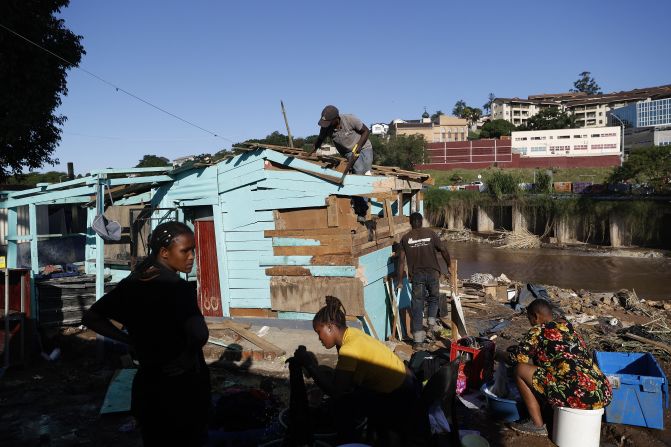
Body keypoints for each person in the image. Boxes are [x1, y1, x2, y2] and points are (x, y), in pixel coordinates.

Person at [83, 221, 211, 446]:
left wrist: (128, 339)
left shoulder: (136, 280)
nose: (192, 257)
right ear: (164, 252)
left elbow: (92, 317)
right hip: (181, 389)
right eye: (185, 251)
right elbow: (200, 335)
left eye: (193, 250)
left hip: (149, 388)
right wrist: (187, 356)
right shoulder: (176, 288)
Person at [292, 296, 428, 445]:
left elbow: (336, 391)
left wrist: (311, 366)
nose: (319, 338)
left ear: (330, 327)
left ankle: (349, 441)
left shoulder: (349, 349)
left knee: (341, 407)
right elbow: (346, 375)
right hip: (407, 382)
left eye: (319, 332)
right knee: (352, 399)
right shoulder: (352, 334)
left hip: (400, 395)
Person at [508, 298, 612, 437]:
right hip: (602, 391)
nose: (530, 322)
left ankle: (537, 425)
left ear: (536, 317)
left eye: (529, 319)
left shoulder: (537, 330)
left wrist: (500, 354)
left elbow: (518, 360)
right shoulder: (569, 328)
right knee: (557, 372)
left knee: (520, 370)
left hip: (579, 393)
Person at [396, 212, 451, 348]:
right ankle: (431, 328)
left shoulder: (405, 238)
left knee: (417, 306)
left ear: (410, 223)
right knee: (433, 299)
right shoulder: (431, 233)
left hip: (417, 276)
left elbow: (401, 261)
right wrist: (448, 265)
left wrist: (399, 281)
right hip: (433, 273)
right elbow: (443, 249)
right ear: (421, 221)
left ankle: (418, 342)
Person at [314, 104, 373, 219]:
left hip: (364, 146)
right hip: (348, 152)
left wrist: (358, 147)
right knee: (359, 171)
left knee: (366, 173)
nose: (326, 125)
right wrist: (309, 153)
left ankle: (363, 204)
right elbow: (319, 140)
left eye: (329, 122)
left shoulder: (350, 119)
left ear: (336, 119)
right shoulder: (326, 128)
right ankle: (361, 210)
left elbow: (366, 131)